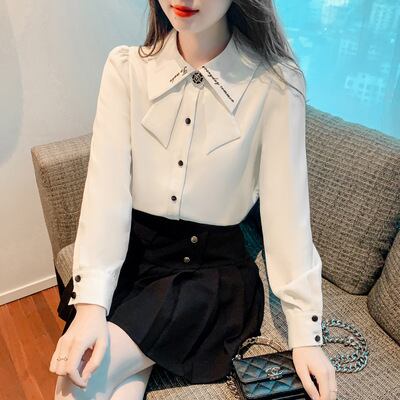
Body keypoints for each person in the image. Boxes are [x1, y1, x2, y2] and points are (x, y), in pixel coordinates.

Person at [50, 1, 338, 399]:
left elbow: (287, 215)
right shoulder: (126, 69)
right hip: (132, 260)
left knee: (78, 381)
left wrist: (306, 336)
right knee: (85, 377)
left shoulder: (275, 85)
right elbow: (105, 191)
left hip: (207, 273)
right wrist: (90, 307)